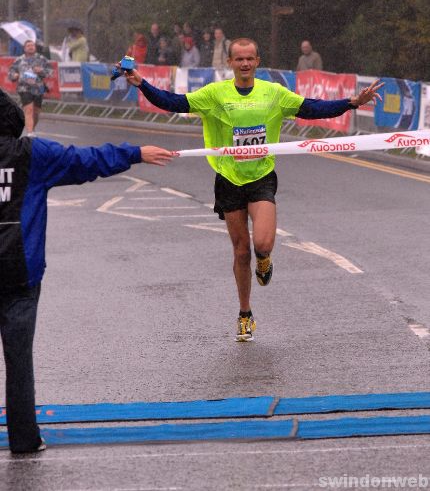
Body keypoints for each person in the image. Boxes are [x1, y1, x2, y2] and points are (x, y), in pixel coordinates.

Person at [124, 37, 383, 342]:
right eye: (239, 59)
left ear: (257, 62)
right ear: (230, 63)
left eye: (250, 59)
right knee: (240, 251)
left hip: (261, 176)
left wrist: (351, 103)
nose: (244, 64)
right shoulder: (215, 94)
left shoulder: (273, 94)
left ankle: (265, 259)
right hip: (229, 179)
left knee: (262, 244)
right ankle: (245, 313)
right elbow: (174, 103)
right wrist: (141, 84)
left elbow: (312, 108)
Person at [0, 87, 174, 454]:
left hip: (20, 275)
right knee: (18, 360)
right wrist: (135, 153)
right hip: (20, 274)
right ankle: (25, 440)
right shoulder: (33, 155)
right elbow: (87, 161)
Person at [8, 40, 50, 136]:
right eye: (28, 46)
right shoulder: (19, 60)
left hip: (38, 88)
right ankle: (30, 133)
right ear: (24, 48)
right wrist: (14, 75)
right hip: (24, 88)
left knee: (36, 112)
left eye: (32, 45)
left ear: (35, 47)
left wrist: (41, 71)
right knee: (28, 109)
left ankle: (32, 128)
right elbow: (10, 72)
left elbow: (50, 71)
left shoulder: (41, 59)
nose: (31, 47)